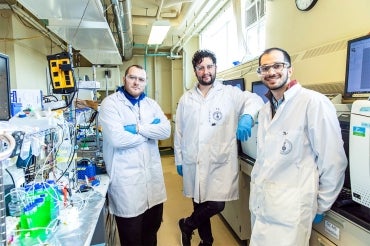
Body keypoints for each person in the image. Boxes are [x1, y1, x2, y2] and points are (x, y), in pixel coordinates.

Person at [249, 47, 347, 246]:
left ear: (290, 69)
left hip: (291, 211)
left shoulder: (313, 102)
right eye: (265, 68)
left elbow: (333, 160)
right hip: (262, 206)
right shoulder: (265, 110)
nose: (271, 72)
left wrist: (321, 205)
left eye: (277, 66)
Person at [174, 49, 264, 246]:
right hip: (194, 160)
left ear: (215, 68)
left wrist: (247, 116)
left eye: (209, 66)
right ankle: (207, 241)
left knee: (216, 204)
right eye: (201, 68)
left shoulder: (229, 93)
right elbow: (179, 132)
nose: (206, 71)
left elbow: (255, 100)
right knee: (199, 202)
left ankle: (187, 225)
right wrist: (179, 160)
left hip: (219, 160)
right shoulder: (186, 99)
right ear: (195, 71)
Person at [99, 64, 171, 246]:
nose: (136, 82)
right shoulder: (110, 104)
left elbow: (166, 130)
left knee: (151, 234)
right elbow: (117, 139)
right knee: (131, 239)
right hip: (127, 186)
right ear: (124, 79)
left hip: (152, 185)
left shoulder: (151, 104)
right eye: (132, 77)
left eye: (141, 79)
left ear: (145, 83)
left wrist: (138, 129)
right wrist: (149, 133)